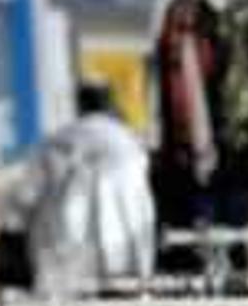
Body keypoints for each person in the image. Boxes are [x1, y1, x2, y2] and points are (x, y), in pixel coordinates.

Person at [33, 79, 158, 295]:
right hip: (126, 253)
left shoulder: (62, 139)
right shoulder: (128, 141)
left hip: (74, 257)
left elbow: (38, 189)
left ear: (79, 105)